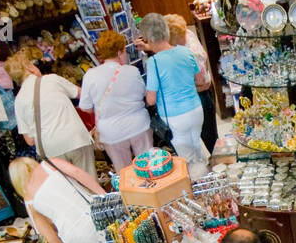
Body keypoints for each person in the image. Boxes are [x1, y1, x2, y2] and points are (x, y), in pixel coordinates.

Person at [8, 155, 121, 243]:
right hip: (92, 213)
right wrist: (102, 194)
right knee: (105, 242)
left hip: (71, 232)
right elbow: (78, 173)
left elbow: (46, 231)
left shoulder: (28, 198)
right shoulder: (49, 165)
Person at [138, 13, 209, 177]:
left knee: (189, 159)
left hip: (176, 117)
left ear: (148, 38)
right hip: (196, 109)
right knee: (197, 144)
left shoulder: (154, 62)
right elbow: (199, 79)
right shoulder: (186, 52)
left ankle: (203, 188)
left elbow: (151, 99)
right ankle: (210, 177)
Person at [8, 47, 97, 175]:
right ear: (29, 68)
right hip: (75, 139)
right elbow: (82, 95)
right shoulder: (52, 79)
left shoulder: (18, 101)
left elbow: (29, 140)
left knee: (73, 191)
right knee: (91, 183)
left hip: (52, 152)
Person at [78, 30, 152, 172]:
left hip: (111, 132)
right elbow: (144, 94)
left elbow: (86, 108)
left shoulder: (90, 76)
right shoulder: (132, 71)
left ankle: (134, 194)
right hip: (139, 126)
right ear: (119, 52)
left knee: (125, 173)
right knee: (149, 166)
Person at [164, 14, 218, 154]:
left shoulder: (189, 53)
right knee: (210, 135)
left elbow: (200, 82)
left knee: (208, 137)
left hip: (200, 95)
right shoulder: (188, 33)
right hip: (203, 92)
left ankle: (218, 165)